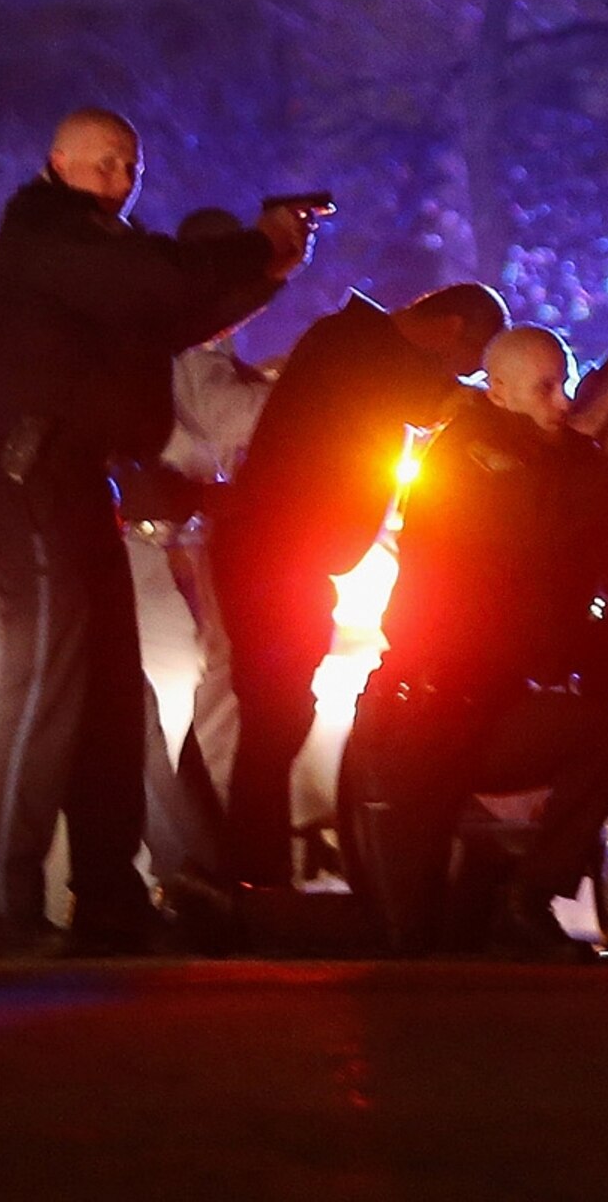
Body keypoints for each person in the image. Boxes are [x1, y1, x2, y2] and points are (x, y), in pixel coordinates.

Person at [0, 109, 315, 956]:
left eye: (130, 165)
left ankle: (109, 893)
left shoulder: (89, 252)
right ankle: (3, 904)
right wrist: (253, 246)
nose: (119, 179)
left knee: (114, 695)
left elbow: (167, 314)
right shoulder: (51, 234)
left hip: (74, 484)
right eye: (103, 164)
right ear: (57, 164)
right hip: (31, 480)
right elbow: (157, 284)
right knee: (43, 686)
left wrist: (269, 271)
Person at [209, 279, 504, 890]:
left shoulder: (353, 344)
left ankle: (252, 871)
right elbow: (436, 402)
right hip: (272, 558)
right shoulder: (355, 346)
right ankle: (251, 875)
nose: (461, 372)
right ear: (451, 329)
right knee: (275, 720)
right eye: (472, 359)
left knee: (277, 719)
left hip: (284, 560)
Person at [346, 325, 608, 958]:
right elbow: (547, 513)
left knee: (604, 735)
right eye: (546, 388)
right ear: (497, 391)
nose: (564, 401)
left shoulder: (532, 449)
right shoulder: (470, 456)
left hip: (480, 712)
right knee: (409, 938)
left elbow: (587, 489)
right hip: (422, 717)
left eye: (568, 381)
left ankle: (527, 900)